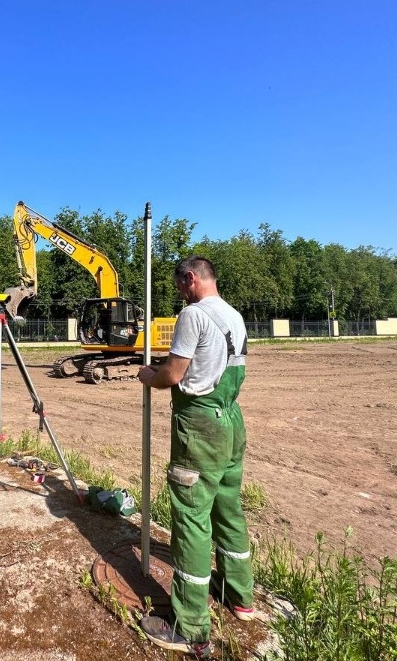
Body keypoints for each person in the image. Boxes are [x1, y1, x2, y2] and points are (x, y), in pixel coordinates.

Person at [136, 256, 254, 659]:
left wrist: (149, 376)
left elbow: (174, 374)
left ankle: (189, 627)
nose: (179, 292)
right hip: (231, 421)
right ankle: (240, 597)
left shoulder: (192, 315)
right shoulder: (234, 316)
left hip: (200, 425)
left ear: (190, 279)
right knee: (228, 510)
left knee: (190, 518)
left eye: (180, 284)